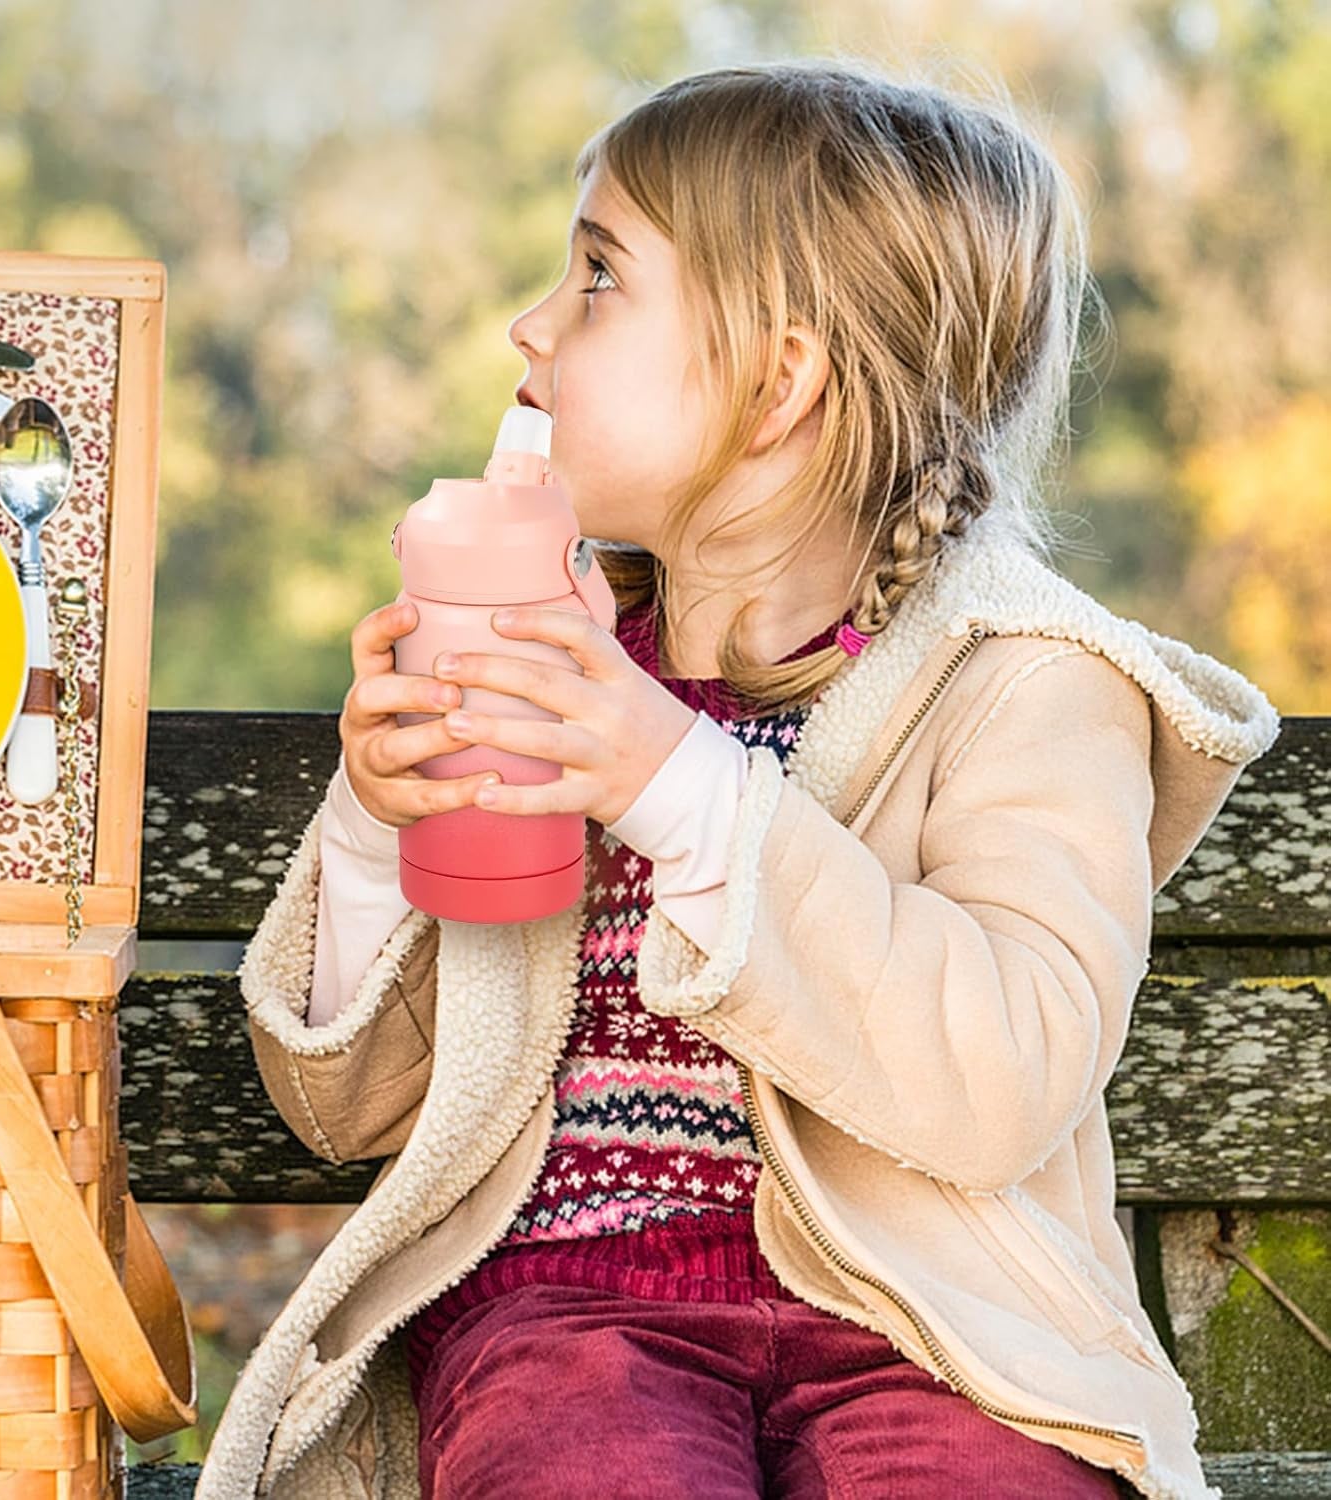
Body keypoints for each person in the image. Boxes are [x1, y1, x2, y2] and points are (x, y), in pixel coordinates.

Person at [198, 58, 1280, 1500]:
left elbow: (1003, 1079)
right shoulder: (554, 661)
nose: (528, 328)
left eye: (596, 278)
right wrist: (376, 828)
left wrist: (673, 775)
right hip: (568, 1314)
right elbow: (349, 1111)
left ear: (779, 383)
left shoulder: (1028, 683)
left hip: (940, 1335)